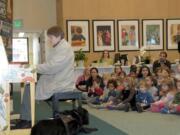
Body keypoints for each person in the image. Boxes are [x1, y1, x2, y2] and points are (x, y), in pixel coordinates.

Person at [15, 26, 75, 128]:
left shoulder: (64, 48)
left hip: (61, 83)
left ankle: (26, 120)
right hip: (57, 79)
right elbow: (51, 66)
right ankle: (25, 117)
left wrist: (34, 67)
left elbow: (52, 67)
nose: (49, 40)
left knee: (29, 88)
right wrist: (35, 68)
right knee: (31, 85)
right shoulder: (60, 47)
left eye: (51, 38)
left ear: (59, 36)